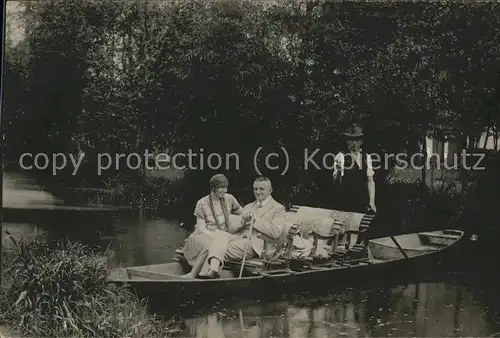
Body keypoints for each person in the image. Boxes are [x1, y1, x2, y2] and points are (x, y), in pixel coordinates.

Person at [199, 176, 287, 279]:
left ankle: (207, 275)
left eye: (261, 189)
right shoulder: (248, 207)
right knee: (219, 235)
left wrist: (255, 221)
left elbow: (276, 232)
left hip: (258, 245)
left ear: (270, 190)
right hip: (240, 239)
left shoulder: (278, 208)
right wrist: (241, 222)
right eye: (255, 189)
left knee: (220, 248)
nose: (258, 192)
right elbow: (233, 229)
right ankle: (211, 272)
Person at [182, 174, 244, 278]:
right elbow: (201, 228)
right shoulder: (202, 203)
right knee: (216, 240)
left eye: (226, 187)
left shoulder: (229, 199)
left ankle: (210, 272)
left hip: (222, 235)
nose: (224, 190)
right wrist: (214, 236)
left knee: (222, 237)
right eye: (221, 187)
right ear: (213, 188)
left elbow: (242, 212)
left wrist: (249, 216)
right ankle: (197, 274)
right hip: (203, 235)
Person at [332, 123, 376, 214]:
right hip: (345, 203)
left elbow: (370, 181)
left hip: (362, 202)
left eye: (357, 140)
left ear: (361, 141)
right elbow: (336, 182)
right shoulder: (341, 156)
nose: (354, 143)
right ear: (347, 141)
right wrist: (339, 172)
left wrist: (372, 202)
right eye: (352, 140)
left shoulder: (366, 157)